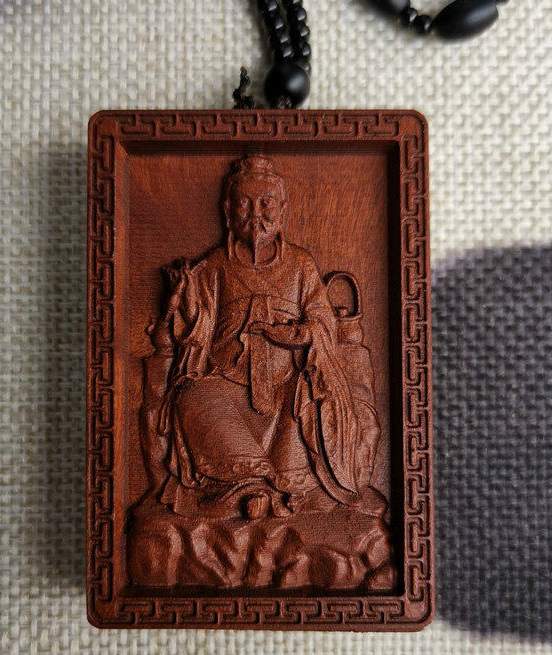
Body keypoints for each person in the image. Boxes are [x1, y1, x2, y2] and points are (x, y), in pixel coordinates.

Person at [130, 155, 394, 590]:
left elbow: (323, 323)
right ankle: (255, 491)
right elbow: (193, 330)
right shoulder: (214, 267)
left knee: (312, 402)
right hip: (227, 388)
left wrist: (295, 334)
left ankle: (271, 489)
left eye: (267, 203)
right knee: (191, 397)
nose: (257, 214)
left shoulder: (302, 266)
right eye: (245, 204)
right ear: (228, 212)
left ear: (283, 210)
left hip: (289, 386)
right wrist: (182, 298)